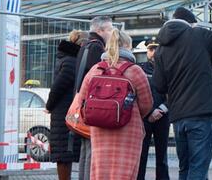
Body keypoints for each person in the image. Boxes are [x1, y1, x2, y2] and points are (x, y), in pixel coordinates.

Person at [153, 6, 212, 180]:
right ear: (190, 24)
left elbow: (159, 85)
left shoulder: (161, 48)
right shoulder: (197, 35)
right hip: (200, 113)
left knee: (185, 168)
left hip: (177, 117)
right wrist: (210, 57)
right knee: (198, 168)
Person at [73, 28, 153, 180]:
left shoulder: (96, 70)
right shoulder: (135, 71)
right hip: (129, 130)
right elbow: (147, 104)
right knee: (125, 172)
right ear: (128, 47)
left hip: (99, 129)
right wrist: (128, 113)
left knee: (100, 172)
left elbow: (81, 99)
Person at [75, 16, 115, 180]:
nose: (112, 33)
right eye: (110, 29)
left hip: (83, 105)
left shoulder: (85, 46)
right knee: (93, 151)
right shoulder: (98, 48)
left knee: (86, 151)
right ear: (100, 30)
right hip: (92, 108)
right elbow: (97, 79)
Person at [45, 30, 87, 180]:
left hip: (63, 112)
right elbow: (58, 87)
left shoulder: (67, 59)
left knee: (64, 155)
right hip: (65, 113)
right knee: (64, 154)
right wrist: (49, 106)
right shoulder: (71, 61)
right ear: (82, 44)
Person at [138, 37, 170, 180]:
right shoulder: (140, 69)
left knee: (162, 156)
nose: (154, 52)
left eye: (157, 49)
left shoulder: (169, 68)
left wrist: (162, 109)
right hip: (144, 117)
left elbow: (174, 92)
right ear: (147, 51)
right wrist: (149, 112)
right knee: (141, 155)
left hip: (162, 116)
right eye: (151, 49)